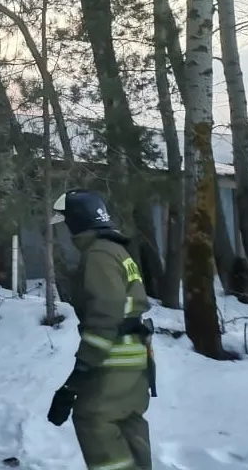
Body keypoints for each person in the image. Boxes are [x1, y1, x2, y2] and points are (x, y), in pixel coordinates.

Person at [48, 189, 156, 470]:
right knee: (128, 422)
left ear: (76, 222)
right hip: (134, 357)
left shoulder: (98, 254)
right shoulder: (117, 250)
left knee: (94, 418)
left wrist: (79, 374)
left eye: (66, 223)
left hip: (114, 359)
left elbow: (105, 314)